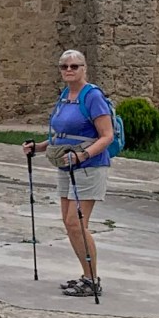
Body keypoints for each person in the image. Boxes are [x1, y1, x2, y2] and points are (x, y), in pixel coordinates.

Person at [22, 49, 114, 298]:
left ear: (84, 68)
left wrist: (83, 155)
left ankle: (92, 280)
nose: (69, 70)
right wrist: (39, 147)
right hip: (66, 165)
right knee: (69, 223)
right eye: (64, 66)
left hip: (89, 167)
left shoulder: (92, 96)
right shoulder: (65, 95)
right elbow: (61, 136)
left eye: (74, 66)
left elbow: (107, 135)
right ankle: (86, 275)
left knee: (77, 222)